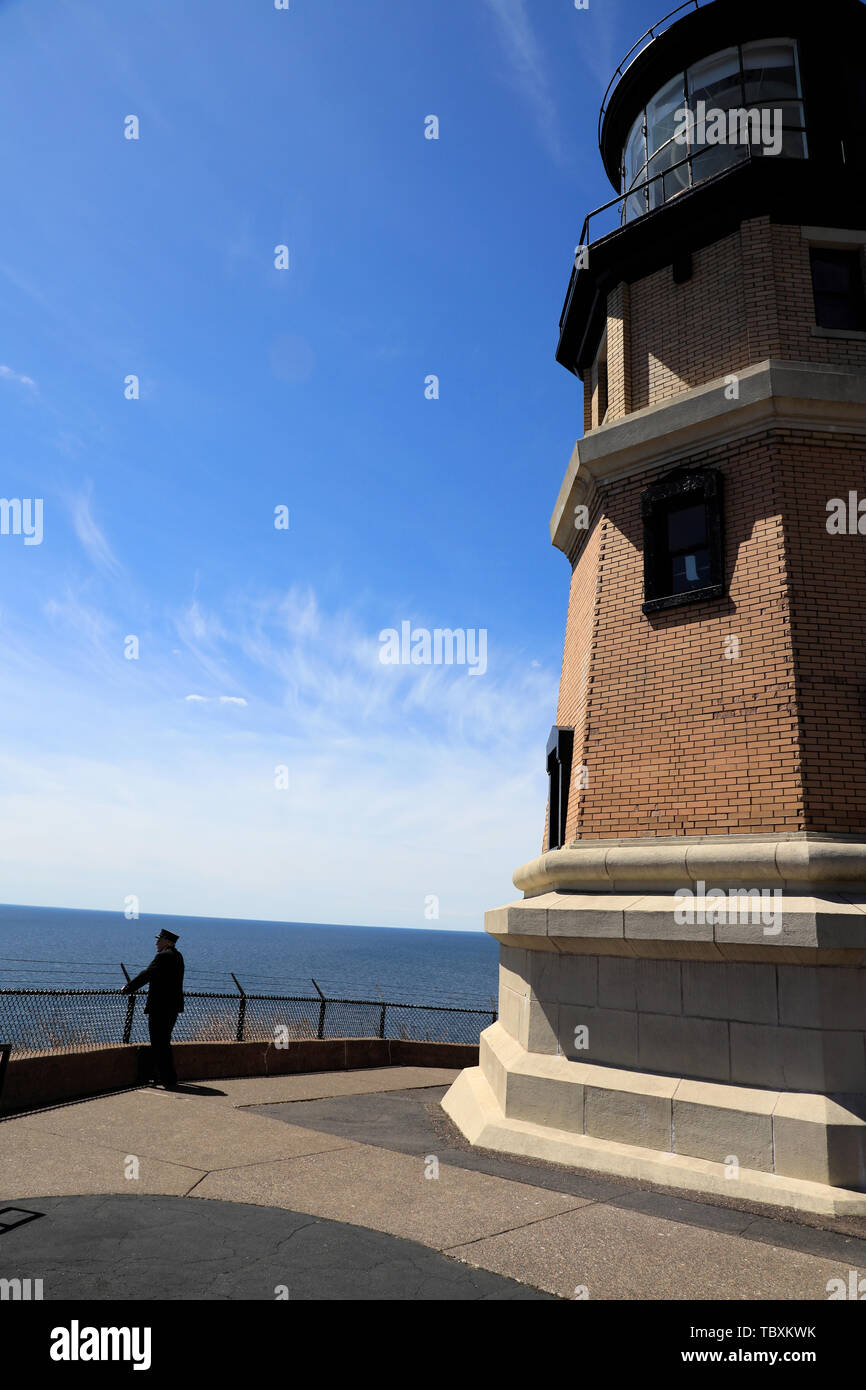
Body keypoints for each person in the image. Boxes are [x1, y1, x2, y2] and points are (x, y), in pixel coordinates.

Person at [121, 929, 185, 1089]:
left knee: (159, 1042)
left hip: (160, 1007)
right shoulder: (178, 956)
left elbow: (147, 974)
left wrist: (128, 988)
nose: (156, 943)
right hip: (173, 1007)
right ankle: (167, 1077)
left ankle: (167, 1079)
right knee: (164, 1041)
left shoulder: (164, 956)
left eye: (160, 940)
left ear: (168, 942)